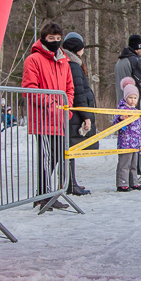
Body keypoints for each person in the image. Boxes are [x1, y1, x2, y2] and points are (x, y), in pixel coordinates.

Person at [22, 22, 74, 211]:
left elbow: (70, 87)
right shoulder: (33, 59)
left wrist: (66, 106)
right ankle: (44, 195)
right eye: (51, 38)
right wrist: (51, 105)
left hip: (60, 118)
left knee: (58, 157)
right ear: (44, 38)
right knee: (46, 158)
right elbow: (29, 89)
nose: (55, 41)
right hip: (43, 119)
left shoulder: (63, 60)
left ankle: (47, 193)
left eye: (58, 39)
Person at [62, 32, 95, 196]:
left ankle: (71, 182)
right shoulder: (73, 65)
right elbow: (79, 92)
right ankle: (69, 184)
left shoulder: (70, 63)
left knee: (70, 150)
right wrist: (86, 115)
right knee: (70, 150)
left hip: (73, 114)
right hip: (74, 114)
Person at [114, 78, 141, 191]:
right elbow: (115, 121)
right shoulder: (122, 109)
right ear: (126, 98)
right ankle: (122, 183)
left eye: (135, 98)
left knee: (133, 164)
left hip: (135, 143)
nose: (132, 100)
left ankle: (133, 182)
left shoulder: (136, 111)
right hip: (125, 142)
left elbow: (140, 128)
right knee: (124, 164)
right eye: (130, 98)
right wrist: (121, 118)